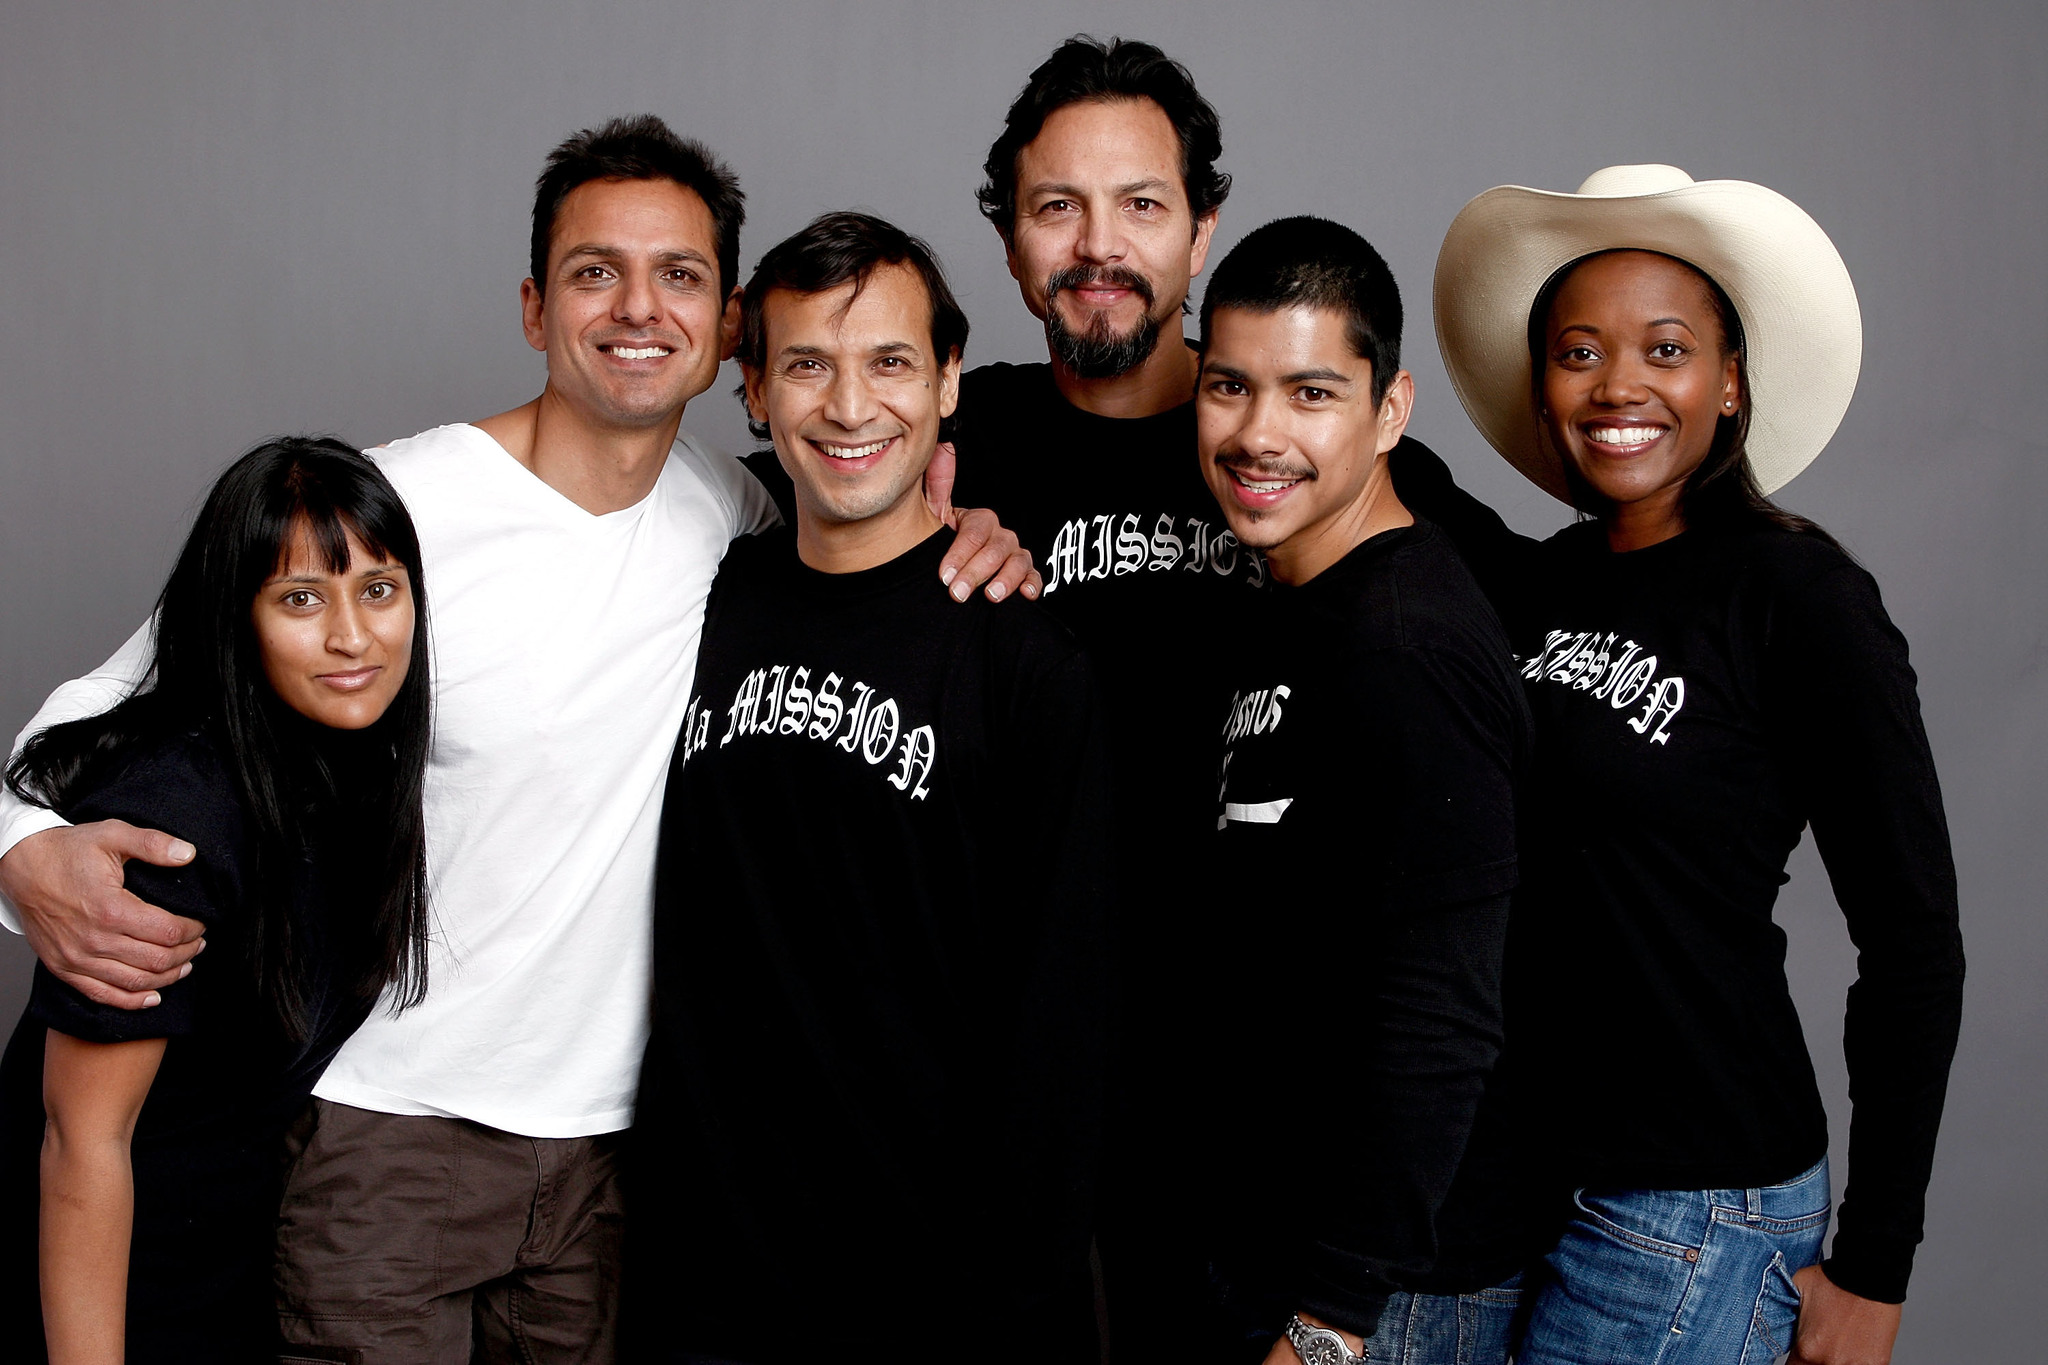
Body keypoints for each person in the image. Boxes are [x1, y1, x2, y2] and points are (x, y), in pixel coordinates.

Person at [0, 115, 1032, 1362]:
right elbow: (113, 701)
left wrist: (966, 539)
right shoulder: (398, 510)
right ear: (537, 308)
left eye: (681, 277)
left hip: (617, 1157)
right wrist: (19, 854)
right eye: (597, 272)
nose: (638, 309)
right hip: (392, 1132)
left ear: (726, 338)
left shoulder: (743, 517)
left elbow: (863, 554)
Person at [1408, 164, 1966, 1365]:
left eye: (1665, 351)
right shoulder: (1533, 585)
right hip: (1517, 1191)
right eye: (1577, 351)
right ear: (1542, 386)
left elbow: (1912, 939)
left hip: (1697, 1208)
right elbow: (1364, 450)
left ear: (1727, 386)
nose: (1618, 386)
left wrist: (1875, 1265)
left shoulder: (1798, 598)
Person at [627, 212, 1113, 1364]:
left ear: (948, 381)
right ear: (751, 389)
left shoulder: (1023, 659)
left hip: (934, 1296)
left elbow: (1064, 1026)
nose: (850, 408)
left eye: (891, 362)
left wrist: (1007, 1305)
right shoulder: (698, 590)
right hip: (703, 1282)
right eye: (807, 365)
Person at [0, 437, 433, 1364]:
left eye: (380, 589)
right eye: (301, 599)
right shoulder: (176, 822)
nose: (352, 635)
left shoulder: (353, 775)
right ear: (236, 621)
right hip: (90, 1283)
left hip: (221, 1263)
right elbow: (83, 1141)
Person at [1184, 217, 1529, 1365]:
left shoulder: (1406, 645)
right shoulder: (1292, 600)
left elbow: (1443, 1015)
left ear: (1389, 411)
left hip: (1385, 1297)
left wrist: (1331, 1322)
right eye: (1228, 385)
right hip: (1283, 1254)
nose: (1257, 434)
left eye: (1310, 393)